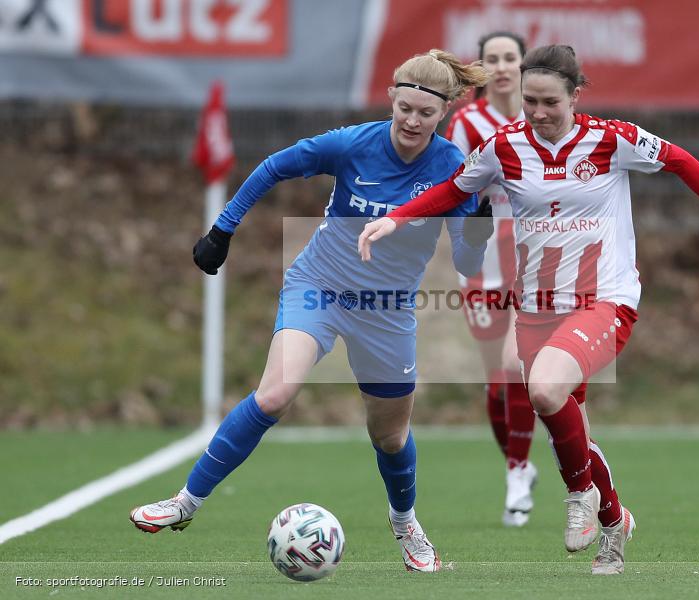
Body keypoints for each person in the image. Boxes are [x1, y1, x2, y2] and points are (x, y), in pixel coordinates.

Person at [358, 45, 699, 575]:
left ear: (575, 96)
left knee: (544, 390)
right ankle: (614, 522)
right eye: (529, 101)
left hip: (605, 299)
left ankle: (579, 496)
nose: (538, 112)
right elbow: (450, 191)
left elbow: (682, 162)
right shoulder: (503, 147)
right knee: (569, 426)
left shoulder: (611, 139)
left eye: (550, 102)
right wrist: (394, 218)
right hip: (536, 308)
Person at [129, 49, 492, 574]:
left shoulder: (452, 169)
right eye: (405, 108)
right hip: (319, 286)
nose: (412, 121)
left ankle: (405, 522)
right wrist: (222, 230)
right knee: (274, 394)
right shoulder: (353, 144)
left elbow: (465, 262)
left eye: (425, 113)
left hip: (387, 310)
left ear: (444, 113)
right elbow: (274, 166)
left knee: (390, 437)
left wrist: (477, 227)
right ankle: (185, 502)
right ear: (391, 98)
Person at [445, 31, 538, 528]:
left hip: (534, 260)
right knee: (497, 382)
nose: (501, 67)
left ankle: (517, 473)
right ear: (480, 69)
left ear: (524, 64)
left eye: (509, 58)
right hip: (483, 265)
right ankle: (517, 464)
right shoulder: (466, 123)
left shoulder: (543, 115)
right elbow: (453, 187)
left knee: (514, 365)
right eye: (491, 59)